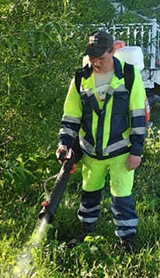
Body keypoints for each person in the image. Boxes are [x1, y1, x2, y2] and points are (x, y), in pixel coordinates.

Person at [57, 30, 146, 251]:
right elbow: (71, 116)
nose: (96, 62)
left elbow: (137, 115)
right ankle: (86, 233)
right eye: (92, 57)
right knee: (89, 195)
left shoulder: (130, 75)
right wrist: (64, 143)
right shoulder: (80, 78)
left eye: (101, 57)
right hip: (90, 153)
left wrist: (137, 150)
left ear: (112, 51)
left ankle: (128, 242)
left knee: (121, 198)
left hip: (121, 153)